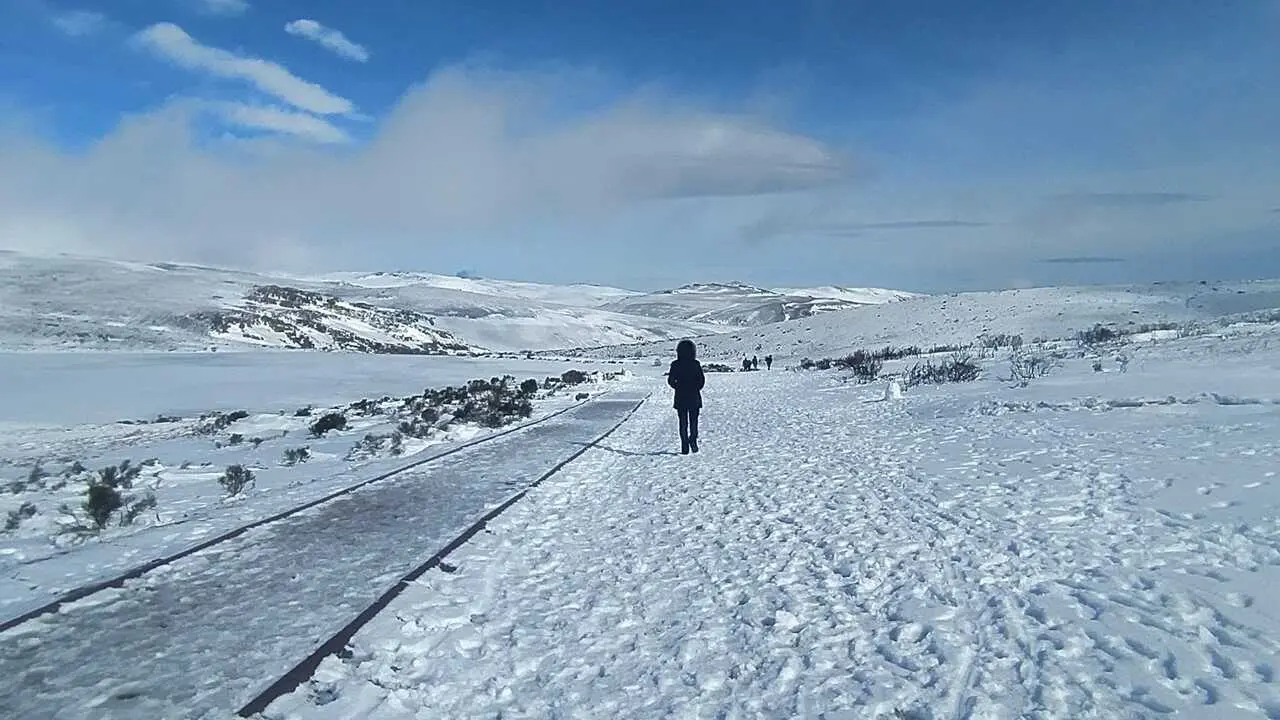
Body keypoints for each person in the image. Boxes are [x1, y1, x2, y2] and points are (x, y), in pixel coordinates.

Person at [667, 339, 706, 454]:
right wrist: (695, 388)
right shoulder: (695, 364)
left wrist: (678, 387)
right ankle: (692, 440)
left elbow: (670, 381)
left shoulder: (675, 364)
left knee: (683, 423)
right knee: (694, 422)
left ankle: (684, 446)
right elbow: (701, 381)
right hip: (694, 397)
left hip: (680, 397)